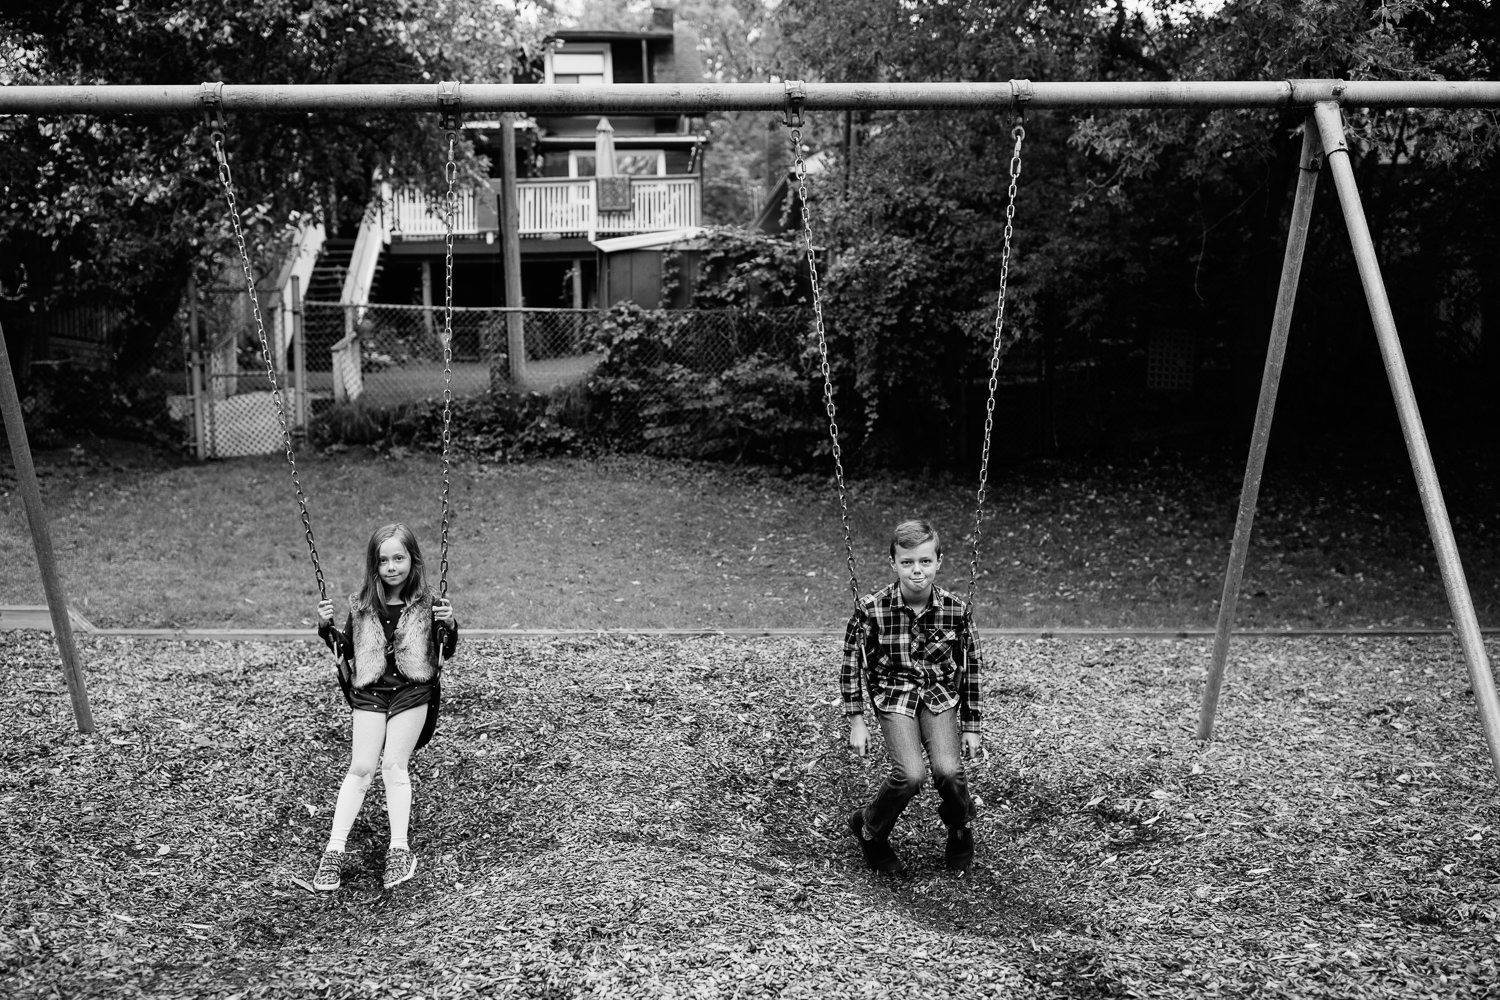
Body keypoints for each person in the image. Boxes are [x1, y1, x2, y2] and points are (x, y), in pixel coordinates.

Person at [310, 522, 458, 892]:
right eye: (383, 560)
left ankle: (399, 849)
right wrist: (325, 628)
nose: (392, 567)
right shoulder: (362, 605)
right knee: (360, 767)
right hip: (372, 691)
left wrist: (450, 623)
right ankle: (334, 849)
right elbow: (346, 647)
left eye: (399, 558)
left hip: (412, 689)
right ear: (374, 565)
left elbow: (446, 648)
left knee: (393, 764)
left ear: (412, 560)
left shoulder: (429, 604)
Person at [841, 518, 982, 874]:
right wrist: (857, 721)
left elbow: (973, 667)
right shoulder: (871, 610)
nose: (916, 571)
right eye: (907, 563)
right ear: (893, 563)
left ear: (939, 561)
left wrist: (971, 726)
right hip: (894, 696)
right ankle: (870, 829)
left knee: (949, 771)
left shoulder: (956, 610)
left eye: (924, 561)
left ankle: (960, 826)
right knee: (911, 775)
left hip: (939, 696)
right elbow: (850, 664)